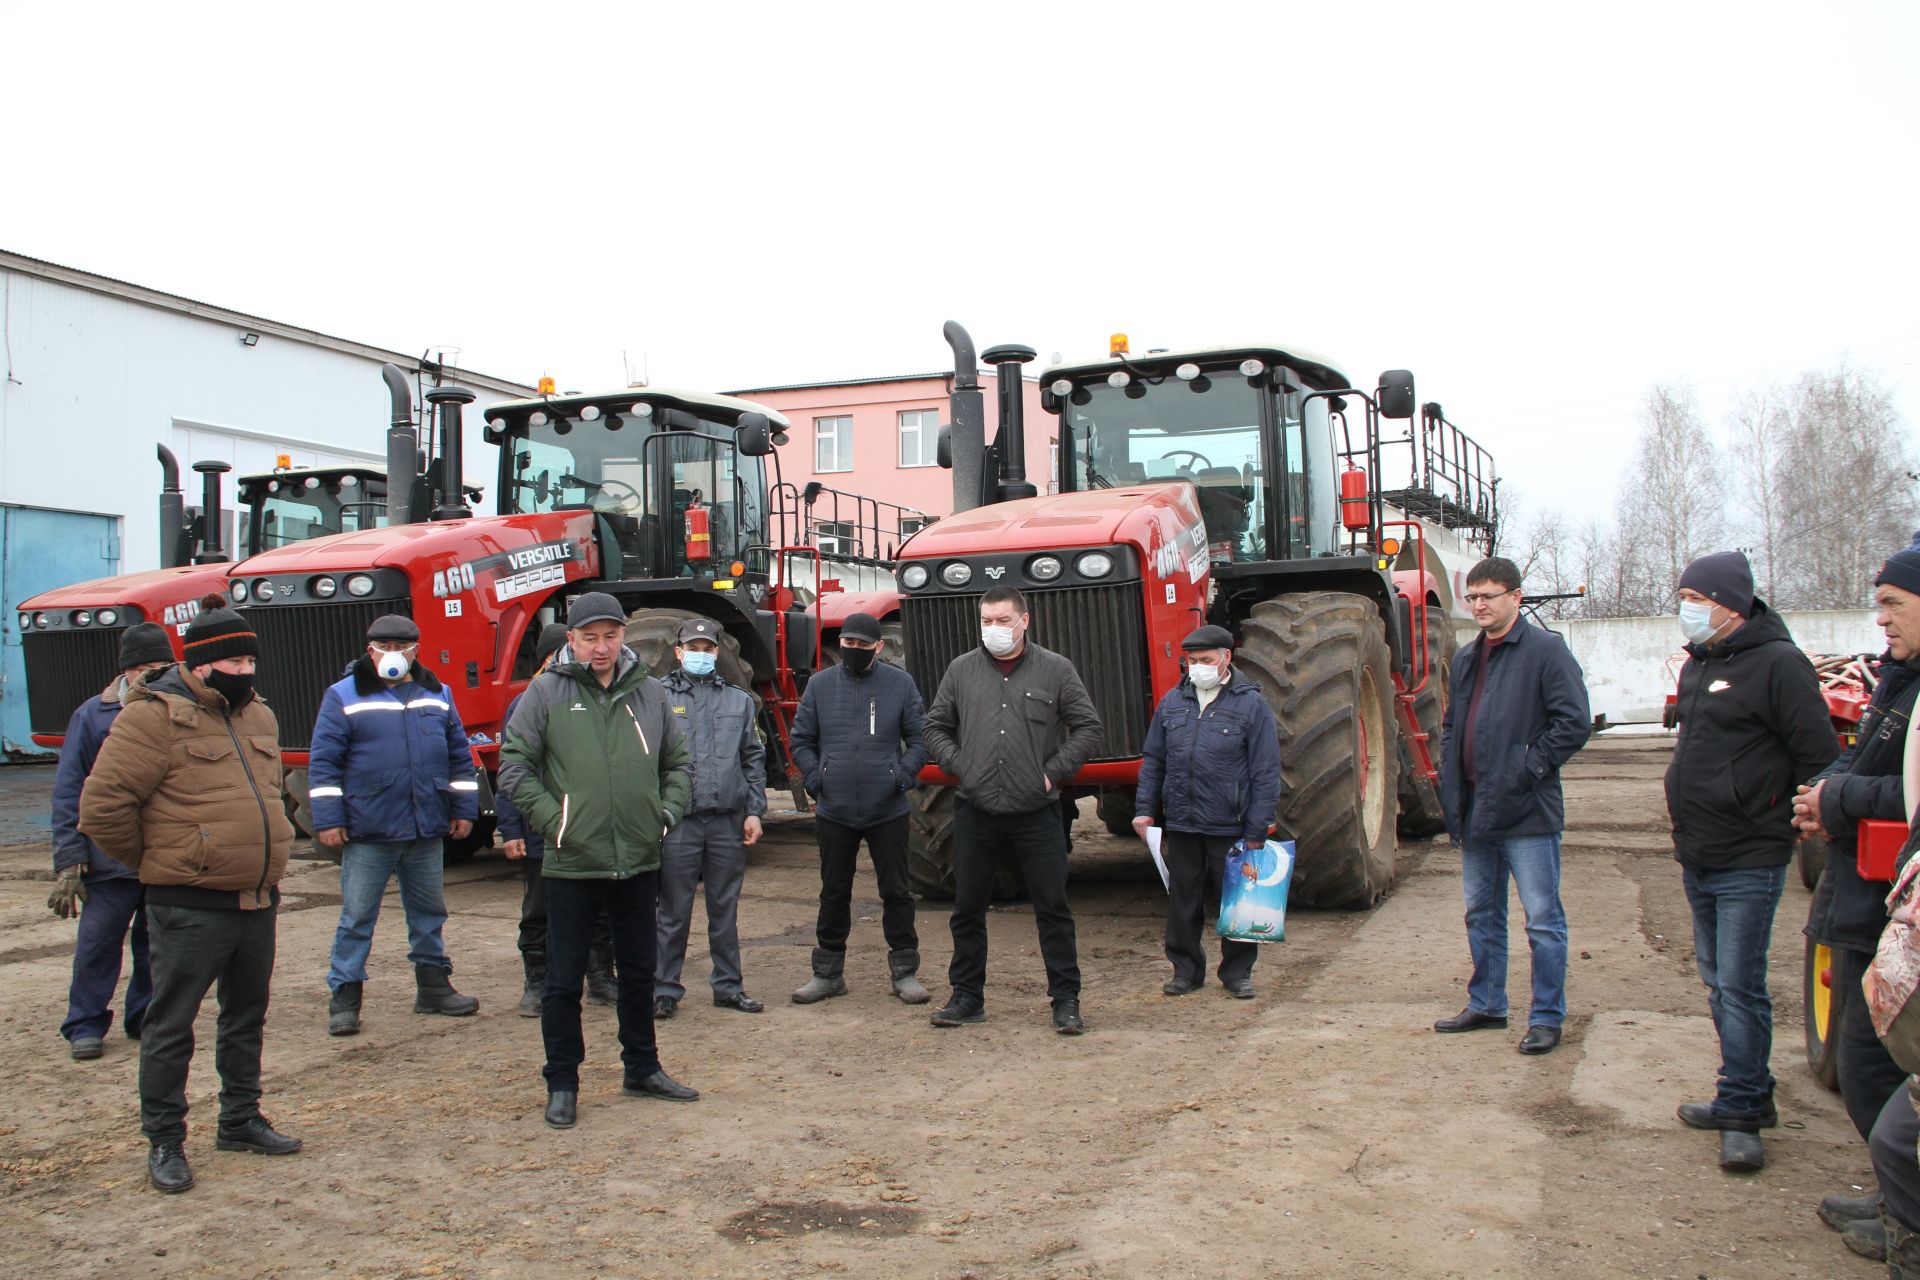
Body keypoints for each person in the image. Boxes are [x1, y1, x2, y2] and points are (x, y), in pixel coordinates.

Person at [78, 596, 301, 1194]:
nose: (247, 672)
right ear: (201, 665)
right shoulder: (151, 718)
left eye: (251, 661)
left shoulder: (260, 716)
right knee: (171, 1025)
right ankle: (165, 1140)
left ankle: (239, 1119)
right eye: (234, 663)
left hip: (257, 899)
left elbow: (270, 795)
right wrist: (163, 861)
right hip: (187, 905)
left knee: (246, 1017)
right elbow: (102, 809)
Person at [1662, 551, 1839, 1172]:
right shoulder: (1698, 664)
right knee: (1716, 981)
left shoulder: (1780, 666)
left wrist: (1797, 826)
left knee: (1740, 986)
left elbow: (1819, 757)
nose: (1684, 609)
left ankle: (1741, 1110)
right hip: (1699, 850)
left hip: (1750, 855)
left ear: (1729, 606)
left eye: (1694, 598)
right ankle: (1747, 1092)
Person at [498, 592, 696, 1130]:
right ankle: (562, 1082)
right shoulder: (546, 693)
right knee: (564, 981)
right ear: (573, 641)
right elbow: (513, 764)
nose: (602, 647)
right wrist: (554, 822)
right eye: (590, 638)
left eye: (611, 637)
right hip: (571, 863)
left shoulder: (649, 694)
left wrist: (665, 813)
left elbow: (678, 762)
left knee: (638, 974)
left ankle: (643, 1068)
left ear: (622, 639)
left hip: (637, 858)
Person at [1801, 532, 1920, 1257]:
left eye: (1892, 604)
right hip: (1867, 888)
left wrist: (1836, 798)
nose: (1881, 618)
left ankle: (1905, 1214)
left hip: (1891, 896)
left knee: (1872, 1059)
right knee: (1864, 1056)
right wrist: (1832, 793)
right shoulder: (1897, 680)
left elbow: (1907, 789)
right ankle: (1894, 1194)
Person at [924, 585, 1104, 1034]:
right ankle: (966, 996)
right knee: (967, 909)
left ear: (1025, 621)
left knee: (1052, 909)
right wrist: (960, 765)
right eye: (987, 621)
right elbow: (935, 727)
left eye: (1003, 621)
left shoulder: (1056, 670)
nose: (994, 629)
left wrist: (1052, 772)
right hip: (975, 810)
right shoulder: (962, 670)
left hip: (1036, 812)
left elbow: (1088, 728)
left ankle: (1066, 1001)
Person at [1434, 556, 1592, 1056]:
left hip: (1525, 811)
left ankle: (1546, 1017)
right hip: (1476, 809)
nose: (1479, 605)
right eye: (1474, 597)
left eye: (1490, 596)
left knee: (1542, 919)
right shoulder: (1465, 658)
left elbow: (1573, 723)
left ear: (1516, 598)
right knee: (1481, 912)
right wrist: (1450, 780)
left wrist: (1529, 768)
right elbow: (1452, 726)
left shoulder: (1545, 651)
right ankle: (1487, 1003)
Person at [309, 615, 483, 1037]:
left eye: (402, 646)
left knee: (428, 913)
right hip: (370, 831)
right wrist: (329, 820)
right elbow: (324, 763)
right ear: (370, 650)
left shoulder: (437, 694)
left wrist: (463, 809)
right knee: (357, 916)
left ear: (415, 650)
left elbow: (459, 757)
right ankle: (345, 996)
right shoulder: (343, 696)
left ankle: (433, 987)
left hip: (425, 828)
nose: (394, 654)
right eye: (384, 645)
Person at [788, 611, 930, 1006]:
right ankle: (827, 974)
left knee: (897, 893)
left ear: (878, 647)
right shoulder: (819, 686)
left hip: (888, 809)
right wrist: (819, 780)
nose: (852, 651)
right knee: (834, 893)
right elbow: (801, 741)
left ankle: (905, 973)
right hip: (835, 810)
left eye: (861, 646)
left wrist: (900, 778)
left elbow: (920, 740)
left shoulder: (900, 685)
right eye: (847, 645)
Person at [1132, 623, 1282, 999]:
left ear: (1226, 658)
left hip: (1229, 824)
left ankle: (1237, 973)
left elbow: (1265, 769)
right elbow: (1154, 760)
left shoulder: (1251, 704)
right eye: (1191, 661)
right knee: (1183, 900)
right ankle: (1185, 971)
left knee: (1236, 901)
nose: (1197, 667)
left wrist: (1257, 827)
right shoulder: (1172, 703)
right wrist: (1146, 810)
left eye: (1206, 660)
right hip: (1182, 822)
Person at [48, 622, 174, 1060]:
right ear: (127, 671)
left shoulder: (176, 710)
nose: (153, 675)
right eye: (145, 667)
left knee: (156, 946)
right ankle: (84, 1024)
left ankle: (144, 1018)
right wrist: (69, 857)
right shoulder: (92, 715)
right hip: (108, 862)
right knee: (98, 945)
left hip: (162, 856)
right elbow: (69, 790)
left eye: (162, 666)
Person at [654, 616, 768, 1018]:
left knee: (725, 909)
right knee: (672, 911)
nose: (700, 655)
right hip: (679, 822)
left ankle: (728, 986)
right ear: (678, 652)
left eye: (707, 649)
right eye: (693, 649)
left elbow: (752, 759)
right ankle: (664, 989)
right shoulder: (658, 698)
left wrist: (754, 811)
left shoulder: (737, 701)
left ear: (717, 653)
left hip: (726, 821)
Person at [498, 622, 571, 1016]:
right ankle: (537, 980)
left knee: (597, 911)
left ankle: (599, 977)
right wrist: (511, 828)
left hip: (584, 829)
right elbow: (512, 772)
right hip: (541, 828)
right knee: (538, 910)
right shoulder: (525, 703)